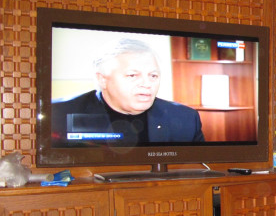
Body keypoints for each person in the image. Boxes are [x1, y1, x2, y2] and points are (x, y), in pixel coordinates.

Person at [51, 37, 204, 145]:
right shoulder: (57, 113)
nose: (147, 84)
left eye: (153, 75)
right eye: (132, 75)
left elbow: (197, 171)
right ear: (102, 79)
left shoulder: (186, 118)